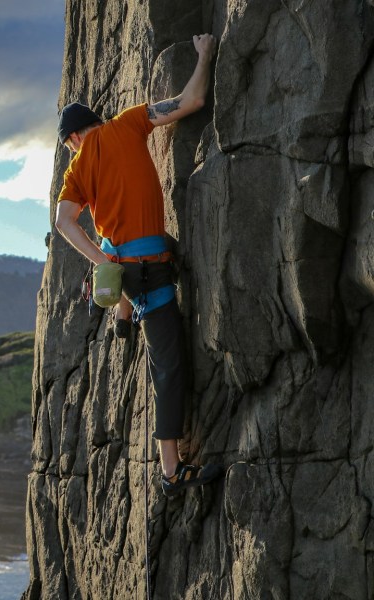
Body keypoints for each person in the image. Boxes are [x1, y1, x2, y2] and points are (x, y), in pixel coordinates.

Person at [54, 33, 222, 497]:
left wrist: (101, 259)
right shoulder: (129, 122)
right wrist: (205, 55)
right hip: (151, 268)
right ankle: (170, 471)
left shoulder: (77, 168)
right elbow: (193, 100)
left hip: (131, 272)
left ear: (72, 138)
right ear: (96, 122)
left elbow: (64, 222)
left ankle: (123, 313)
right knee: (166, 366)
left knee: (161, 362)